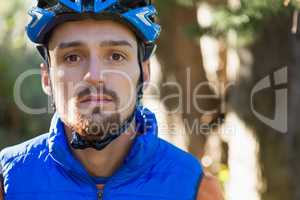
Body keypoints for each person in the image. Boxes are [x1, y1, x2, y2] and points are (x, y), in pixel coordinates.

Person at [0, 0, 223, 199]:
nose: (94, 76)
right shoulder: (8, 182)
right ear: (47, 77)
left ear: (145, 73)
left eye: (116, 56)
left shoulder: (194, 188)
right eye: (72, 57)